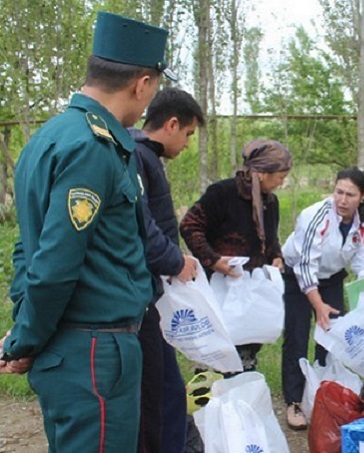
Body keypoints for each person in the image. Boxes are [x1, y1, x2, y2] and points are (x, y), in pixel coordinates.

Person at [0, 11, 175, 451]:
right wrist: (26, 338)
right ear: (143, 84)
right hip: (95, 355)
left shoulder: (47, 137)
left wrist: (26, 330)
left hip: (74, 350)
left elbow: (28, 248)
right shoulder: (93, 147)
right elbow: (55, 262)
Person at [128, 87, 203, 453]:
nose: (188, 143)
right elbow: (142, 229)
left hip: (152, 295)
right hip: (140, 300)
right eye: (188, 133)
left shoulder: (146, 157)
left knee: (169, 391)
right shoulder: (138, 157)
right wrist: (176, 261)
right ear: (172, 124)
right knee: (159, 397)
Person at [180, 139, 292, 372]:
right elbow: (190, 226)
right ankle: (210, 402)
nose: (282, 182)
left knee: (246, 352)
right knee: (218, 352)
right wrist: (213, 260)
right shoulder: (223, 194)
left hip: (252, 291)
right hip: (220, 287)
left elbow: (269, 239)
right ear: (262, 172)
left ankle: (241, 400)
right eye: (280, 176)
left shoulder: (270, 202)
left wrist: (276, 256)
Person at [281, 167, 364, 430]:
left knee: (332, 335)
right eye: (339, 192)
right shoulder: (315, 216)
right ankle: (294, 401)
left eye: (350, 194)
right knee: (298, 335)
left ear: (362, 196)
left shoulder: (363, 222)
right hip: (297, 275)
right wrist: (317, 304)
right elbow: (304, 265)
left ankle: (325, 393)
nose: (343, 200)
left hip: (332, 277)